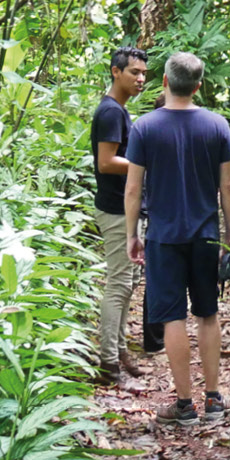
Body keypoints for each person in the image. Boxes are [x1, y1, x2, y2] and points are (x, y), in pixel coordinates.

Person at [123, 52, 230, 428]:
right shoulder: (217, 125)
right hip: (205, 235)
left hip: (163, 235)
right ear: (199, 86)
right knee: (208, 313)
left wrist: (132, 235)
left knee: (172, 316)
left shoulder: (144, 127)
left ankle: (185, 405)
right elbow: (228, 188)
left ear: (165, 82)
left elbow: (133, 188)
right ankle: (214, 400)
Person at [90, 48, 149, 381]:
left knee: (128, 283)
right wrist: (146, 163)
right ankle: (108, 363)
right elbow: (106, 162)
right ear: (115, 72)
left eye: (143, 74)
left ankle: (120, 349)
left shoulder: (119, 110)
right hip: (115, 209)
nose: (140, 79)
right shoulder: (111, 112)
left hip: (125, 206)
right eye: (134, 73)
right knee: (118, 284)